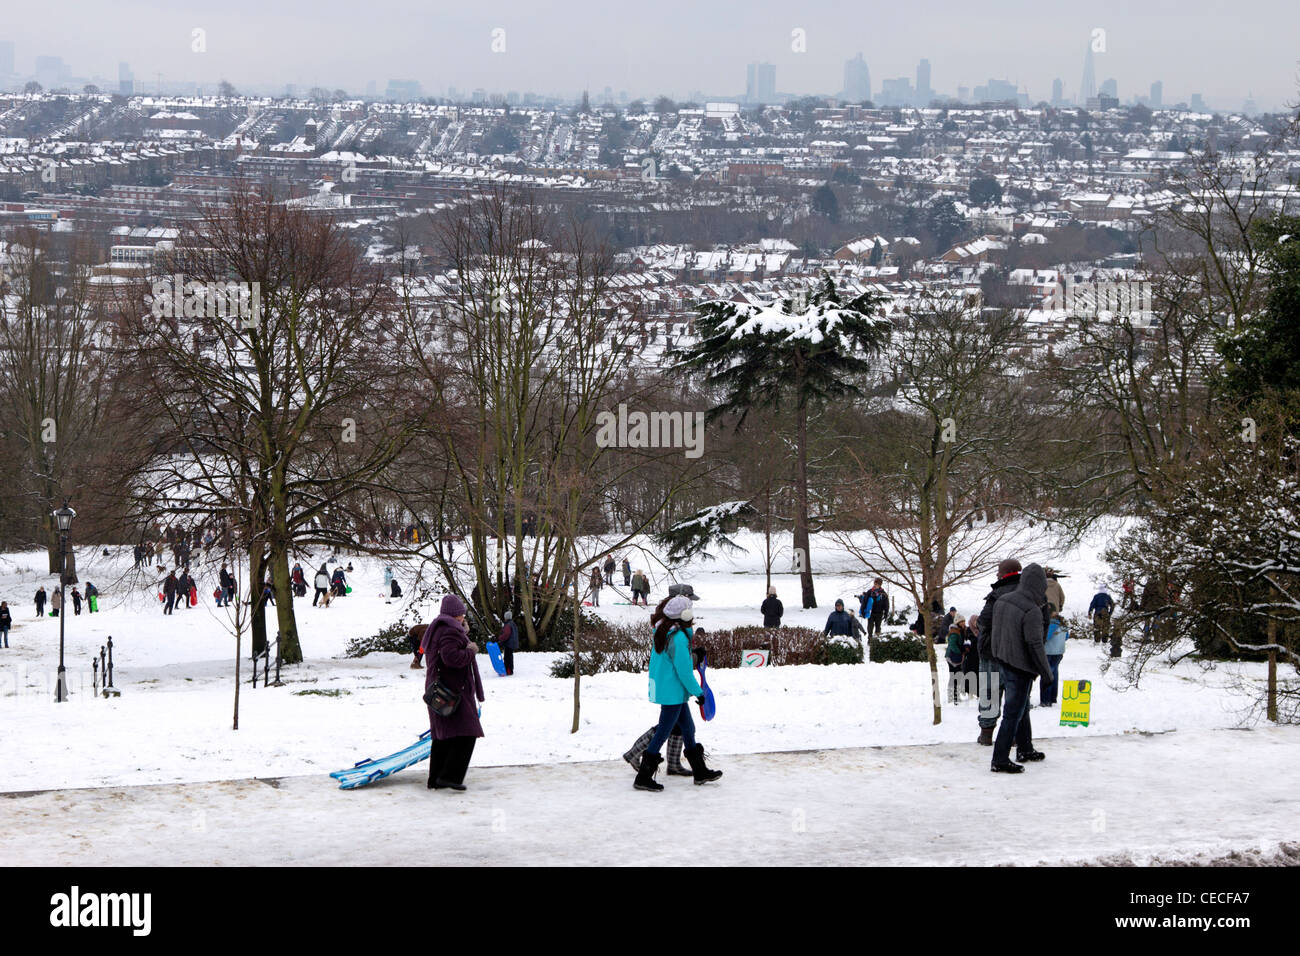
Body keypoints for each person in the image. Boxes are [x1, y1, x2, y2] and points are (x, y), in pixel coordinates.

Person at [633, 596, 722, 791]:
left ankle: (700, 772)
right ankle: (643, 778)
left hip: (669, 688)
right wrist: (698, 693)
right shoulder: (678, 637)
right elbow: (683, 671)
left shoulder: (665, 629)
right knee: (663, 732)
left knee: (688, 729)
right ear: (685, 615)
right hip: (672, 691)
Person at [989, 563, 1054, 773]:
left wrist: (998, 654)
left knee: (1021, 708)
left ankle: (1025, 748)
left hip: (1004, 661)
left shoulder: (1003, 600)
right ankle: (999, 759)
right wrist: (1046, 672)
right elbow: (1035, 645)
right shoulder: (1032, 610)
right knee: (1012, 714)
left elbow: (994, 632)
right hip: (1020, 667)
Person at [423, 594, 485, 791]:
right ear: (454, 614)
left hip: (440, 688)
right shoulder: (449, 630)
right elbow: (452, 658)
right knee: (467, 732)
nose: (463, 618)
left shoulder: (438, 628)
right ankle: (451, 777)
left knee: (444, 735)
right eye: (461, 614)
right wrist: (470, 650)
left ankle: (436, 779)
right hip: (453, 691)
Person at [976, 558, 1021, 746]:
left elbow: (984, 621)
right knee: (1016, 695)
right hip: (1019, 654)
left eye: (998, 572)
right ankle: (1014, 734)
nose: (996, 575)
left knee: (990, 693)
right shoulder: (1029, 593)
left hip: (993, 652)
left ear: (1003, 574)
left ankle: (986, 733)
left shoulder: (997, 594)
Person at [1040, 614, 1068, 707]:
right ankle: (1053, 698)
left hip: (1049, 653)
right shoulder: (1063, 625)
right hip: (1059, 653)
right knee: (1054, 674)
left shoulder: (1051, 625)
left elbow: (1046, 638)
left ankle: (1045, 700)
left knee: (1047, 675)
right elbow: (1066, 637)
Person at [1089, 586, 1115, 651]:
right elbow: (1112, 605)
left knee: (1097, 626)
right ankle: (1104, 641)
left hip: (1097, 612)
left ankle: (1097, 641)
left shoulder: (1096, 596)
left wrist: (1090, 612)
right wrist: (1110, 613)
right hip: (1105, 612)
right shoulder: (1107, 596)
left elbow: (1092, 604)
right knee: (1105, 627)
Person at [497, 609, 520, 676]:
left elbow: (506, 634)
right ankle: (509, 669)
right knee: (509, 656)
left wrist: (500, 638)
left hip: (509, 644)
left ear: (506, 617)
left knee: (507, 657)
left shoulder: (508, 625)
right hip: (513, 643)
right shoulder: (513, 624)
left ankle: (508, 670)